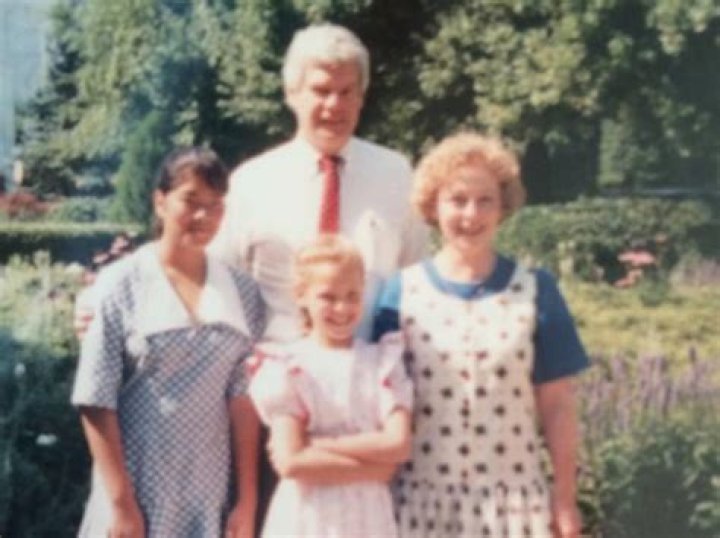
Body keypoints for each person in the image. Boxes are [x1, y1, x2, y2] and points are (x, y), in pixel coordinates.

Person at [373, 132, 589, 538]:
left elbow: (558, 405)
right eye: (457, 200)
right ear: (433, 205)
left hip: (515, 508)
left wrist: (564, 498)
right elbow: (377, 405)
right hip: (420, 506)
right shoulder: (399, 293)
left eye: (485, 200)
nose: (471, 215)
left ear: (502, 206)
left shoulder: (537, 289)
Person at [71, 147, 265, 538]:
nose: (203, 216)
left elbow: (243, 403)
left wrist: (247, 501)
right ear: (160, 202)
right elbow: (95, 400)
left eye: (215, 205)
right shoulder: (121, 283)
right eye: (190, 201)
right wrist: (121, 504)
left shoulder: (242, 292)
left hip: (206, 495)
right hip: (134, 491)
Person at [208, 23, 427, 342]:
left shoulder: (397, 175)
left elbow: (416, 283)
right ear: (292, 94)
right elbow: (220, 290)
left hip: (372, 364)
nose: (334, 105)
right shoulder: (250, 184)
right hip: (278, 363)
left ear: (361, 97)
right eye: (321, 91)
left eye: (346, 92)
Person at [248, 235, 413, 537]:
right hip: (308, 516)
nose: (342, 308)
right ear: (301, 296)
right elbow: (291, 462)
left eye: (352, 296)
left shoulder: (381, 361)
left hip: (367, 518)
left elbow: (397, 444)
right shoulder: (288, 366)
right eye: (328, 297)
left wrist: (317, 446)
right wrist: (373, 468)